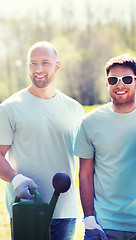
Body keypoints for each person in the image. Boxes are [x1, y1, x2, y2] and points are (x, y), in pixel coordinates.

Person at [0, 41, 85, 240]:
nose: (38, 69)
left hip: (65, 210)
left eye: (45, 63)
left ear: (57, 66)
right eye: (33, 63)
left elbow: (87, 159)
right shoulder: (9, 108)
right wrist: (16, 179)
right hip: (27, 209)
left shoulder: (75, 109)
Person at [75, 54, 136, 240]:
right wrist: (89, 219)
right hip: (104, 226)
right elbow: (85, 174)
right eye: (113, 80)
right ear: (106, 83)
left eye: (126, 79)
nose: (120, 85)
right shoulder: (90, 122)